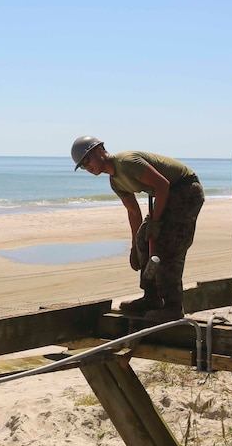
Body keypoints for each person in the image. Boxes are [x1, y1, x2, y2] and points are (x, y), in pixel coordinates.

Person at [71, 136, 204, 321]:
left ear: (101, 150)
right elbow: (133, 212)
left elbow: (162, 184)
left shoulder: (127, 162)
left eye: (87, 160)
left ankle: (173, 307)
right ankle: (151, 298)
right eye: (82, 165)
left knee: (168, 246)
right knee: (144, 239)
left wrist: (156, 222)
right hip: (167, 195)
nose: (87, 166)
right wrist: (135, 247)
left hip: (186, 189)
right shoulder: (115, 181)